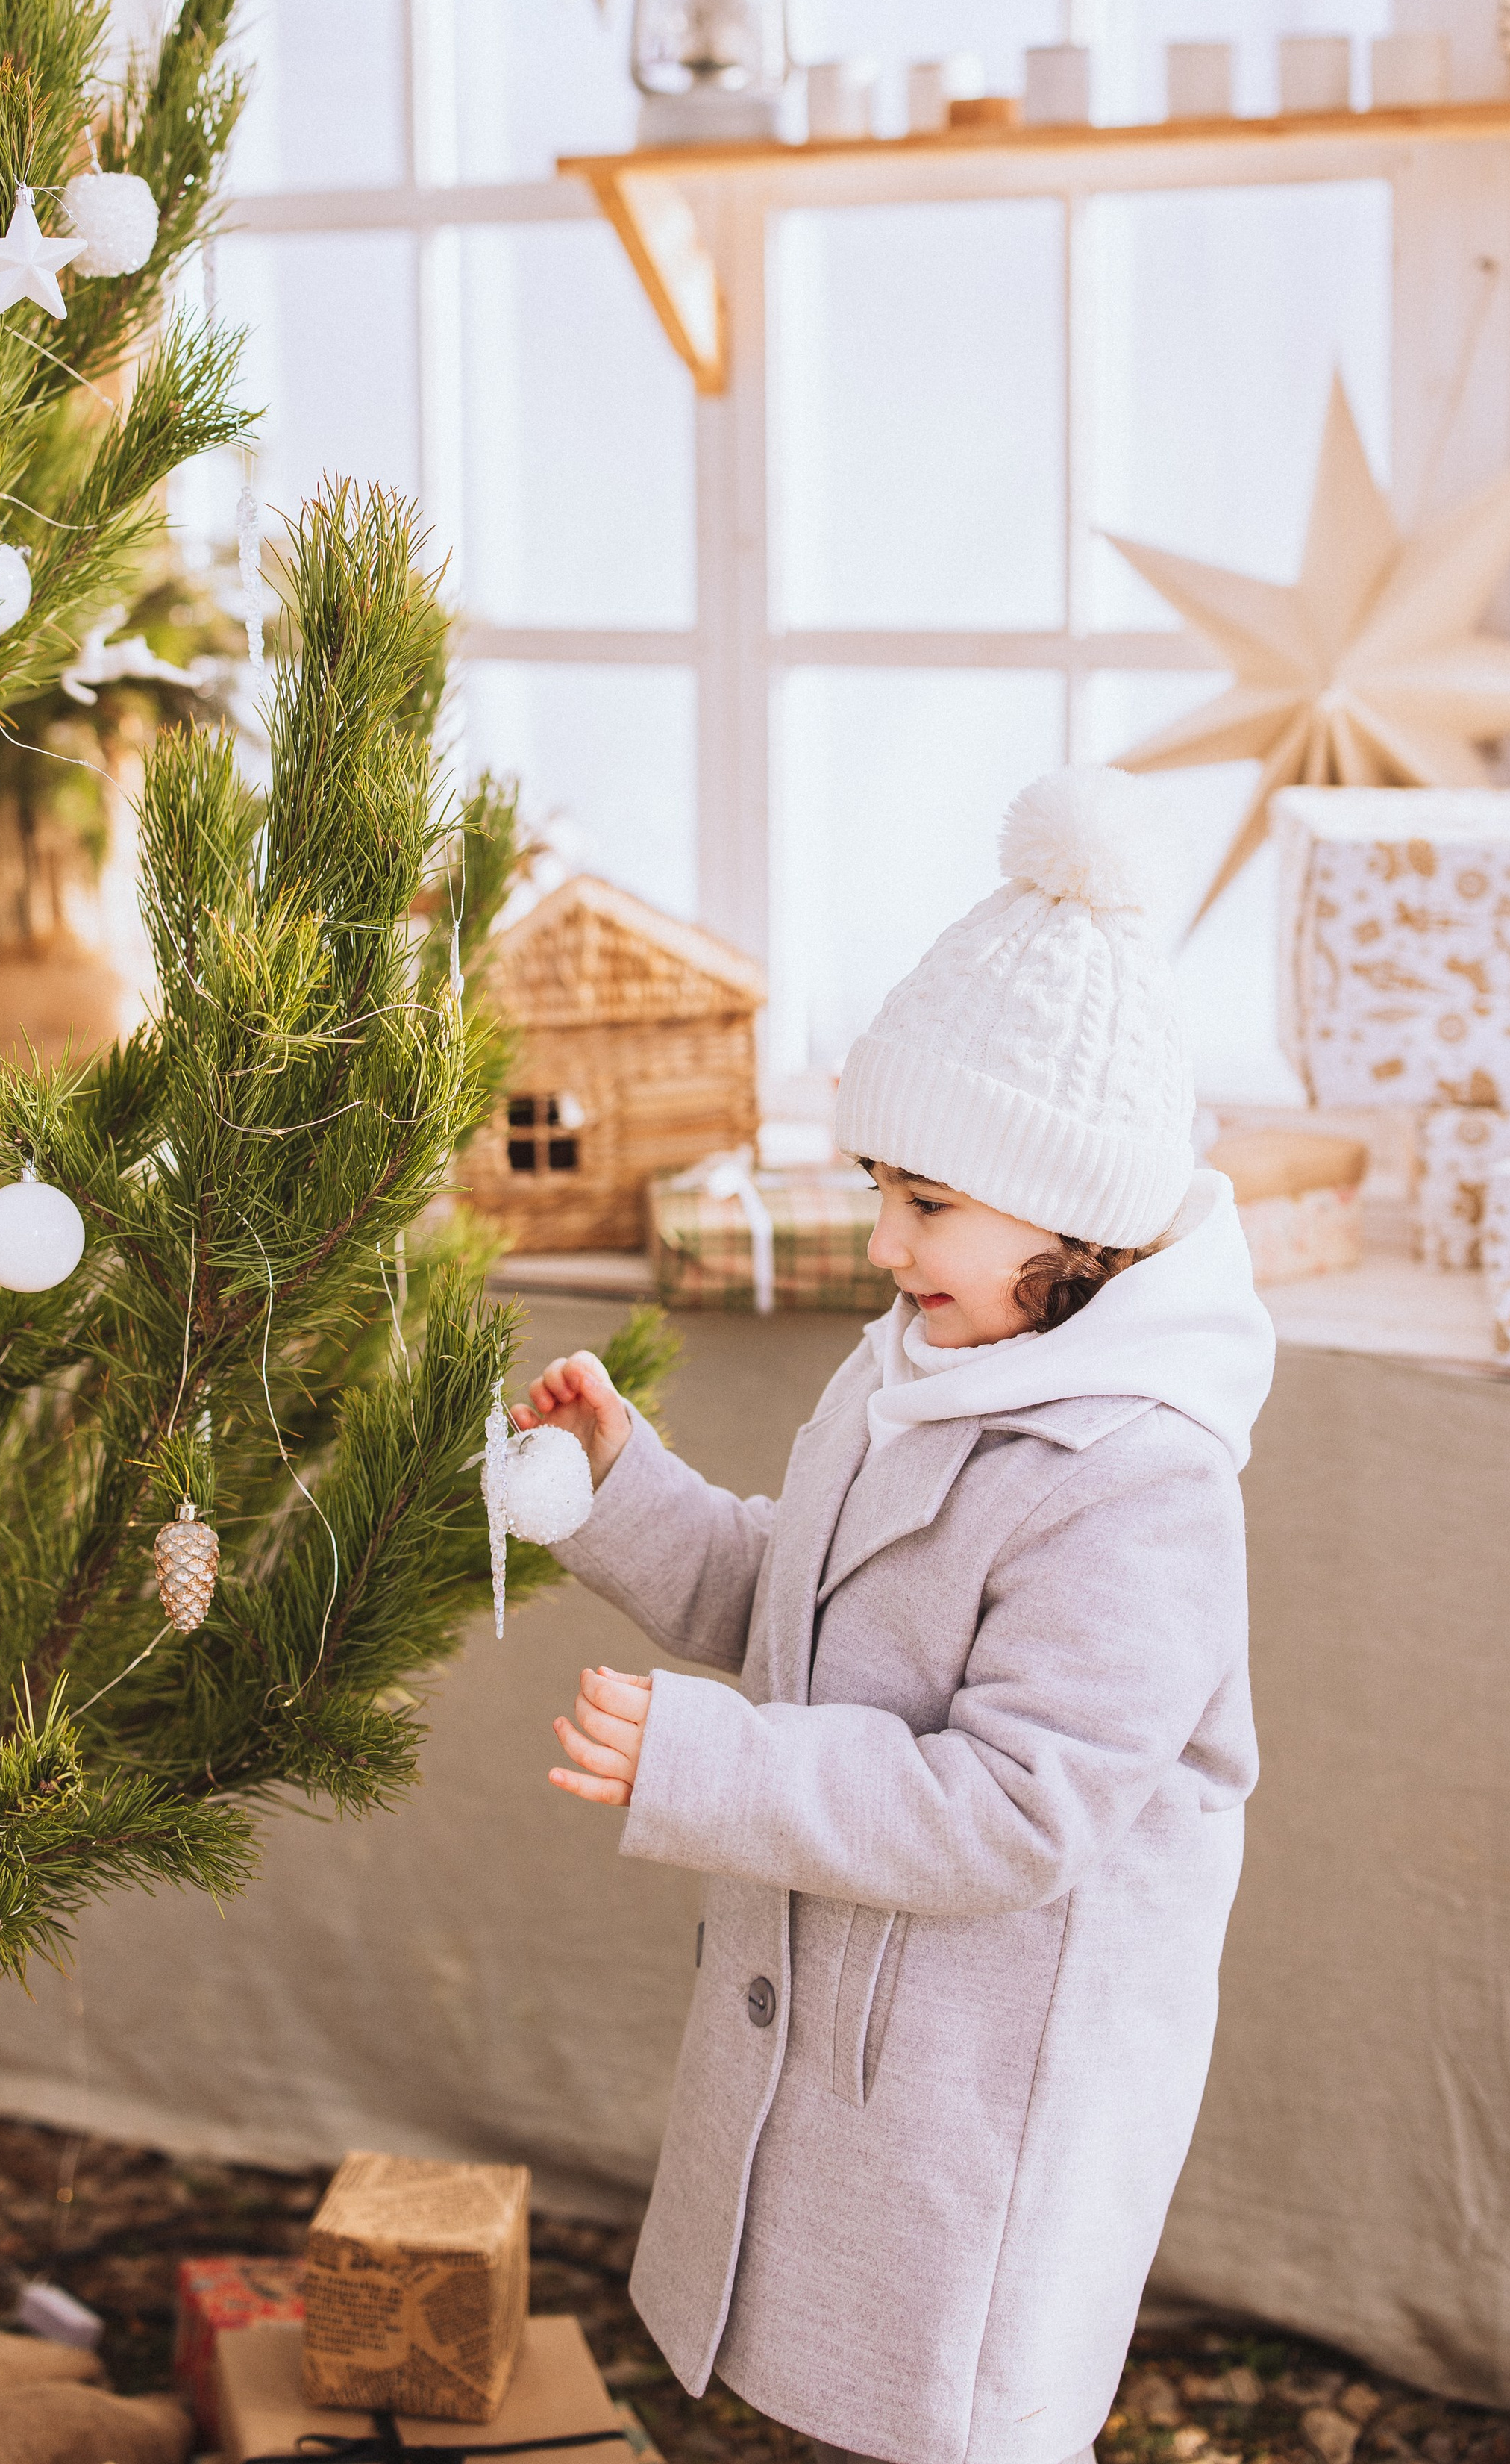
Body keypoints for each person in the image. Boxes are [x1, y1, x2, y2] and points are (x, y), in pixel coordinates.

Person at [512, 766, 1276, 2464]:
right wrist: (626, 1485)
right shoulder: (925, 1364)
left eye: (924, 1203)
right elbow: (811, 1605)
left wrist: (713, 1764)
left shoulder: (1136, 1477)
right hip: (859, 2015)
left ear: (1070, 1213)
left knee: (952, 2403)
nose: (879, 1239)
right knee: (825, 2381)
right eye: (880, 1185)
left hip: (989, 2071)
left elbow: (1023, 1800)